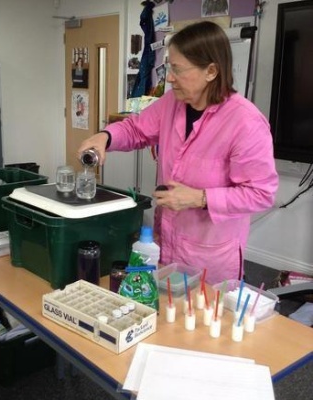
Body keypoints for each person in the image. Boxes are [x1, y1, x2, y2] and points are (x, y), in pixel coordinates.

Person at [77, 21, 278, 285]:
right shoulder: (172, 103)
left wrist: (200, 198)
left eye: (177, 69)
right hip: (166, 243)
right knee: (162, 303)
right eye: (169, 68)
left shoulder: (245, 122)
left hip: (209, 257)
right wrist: (106, 136)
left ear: (211, 71)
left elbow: (261, 194)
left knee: (200, 311)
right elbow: (136, 129)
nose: (169, 78)